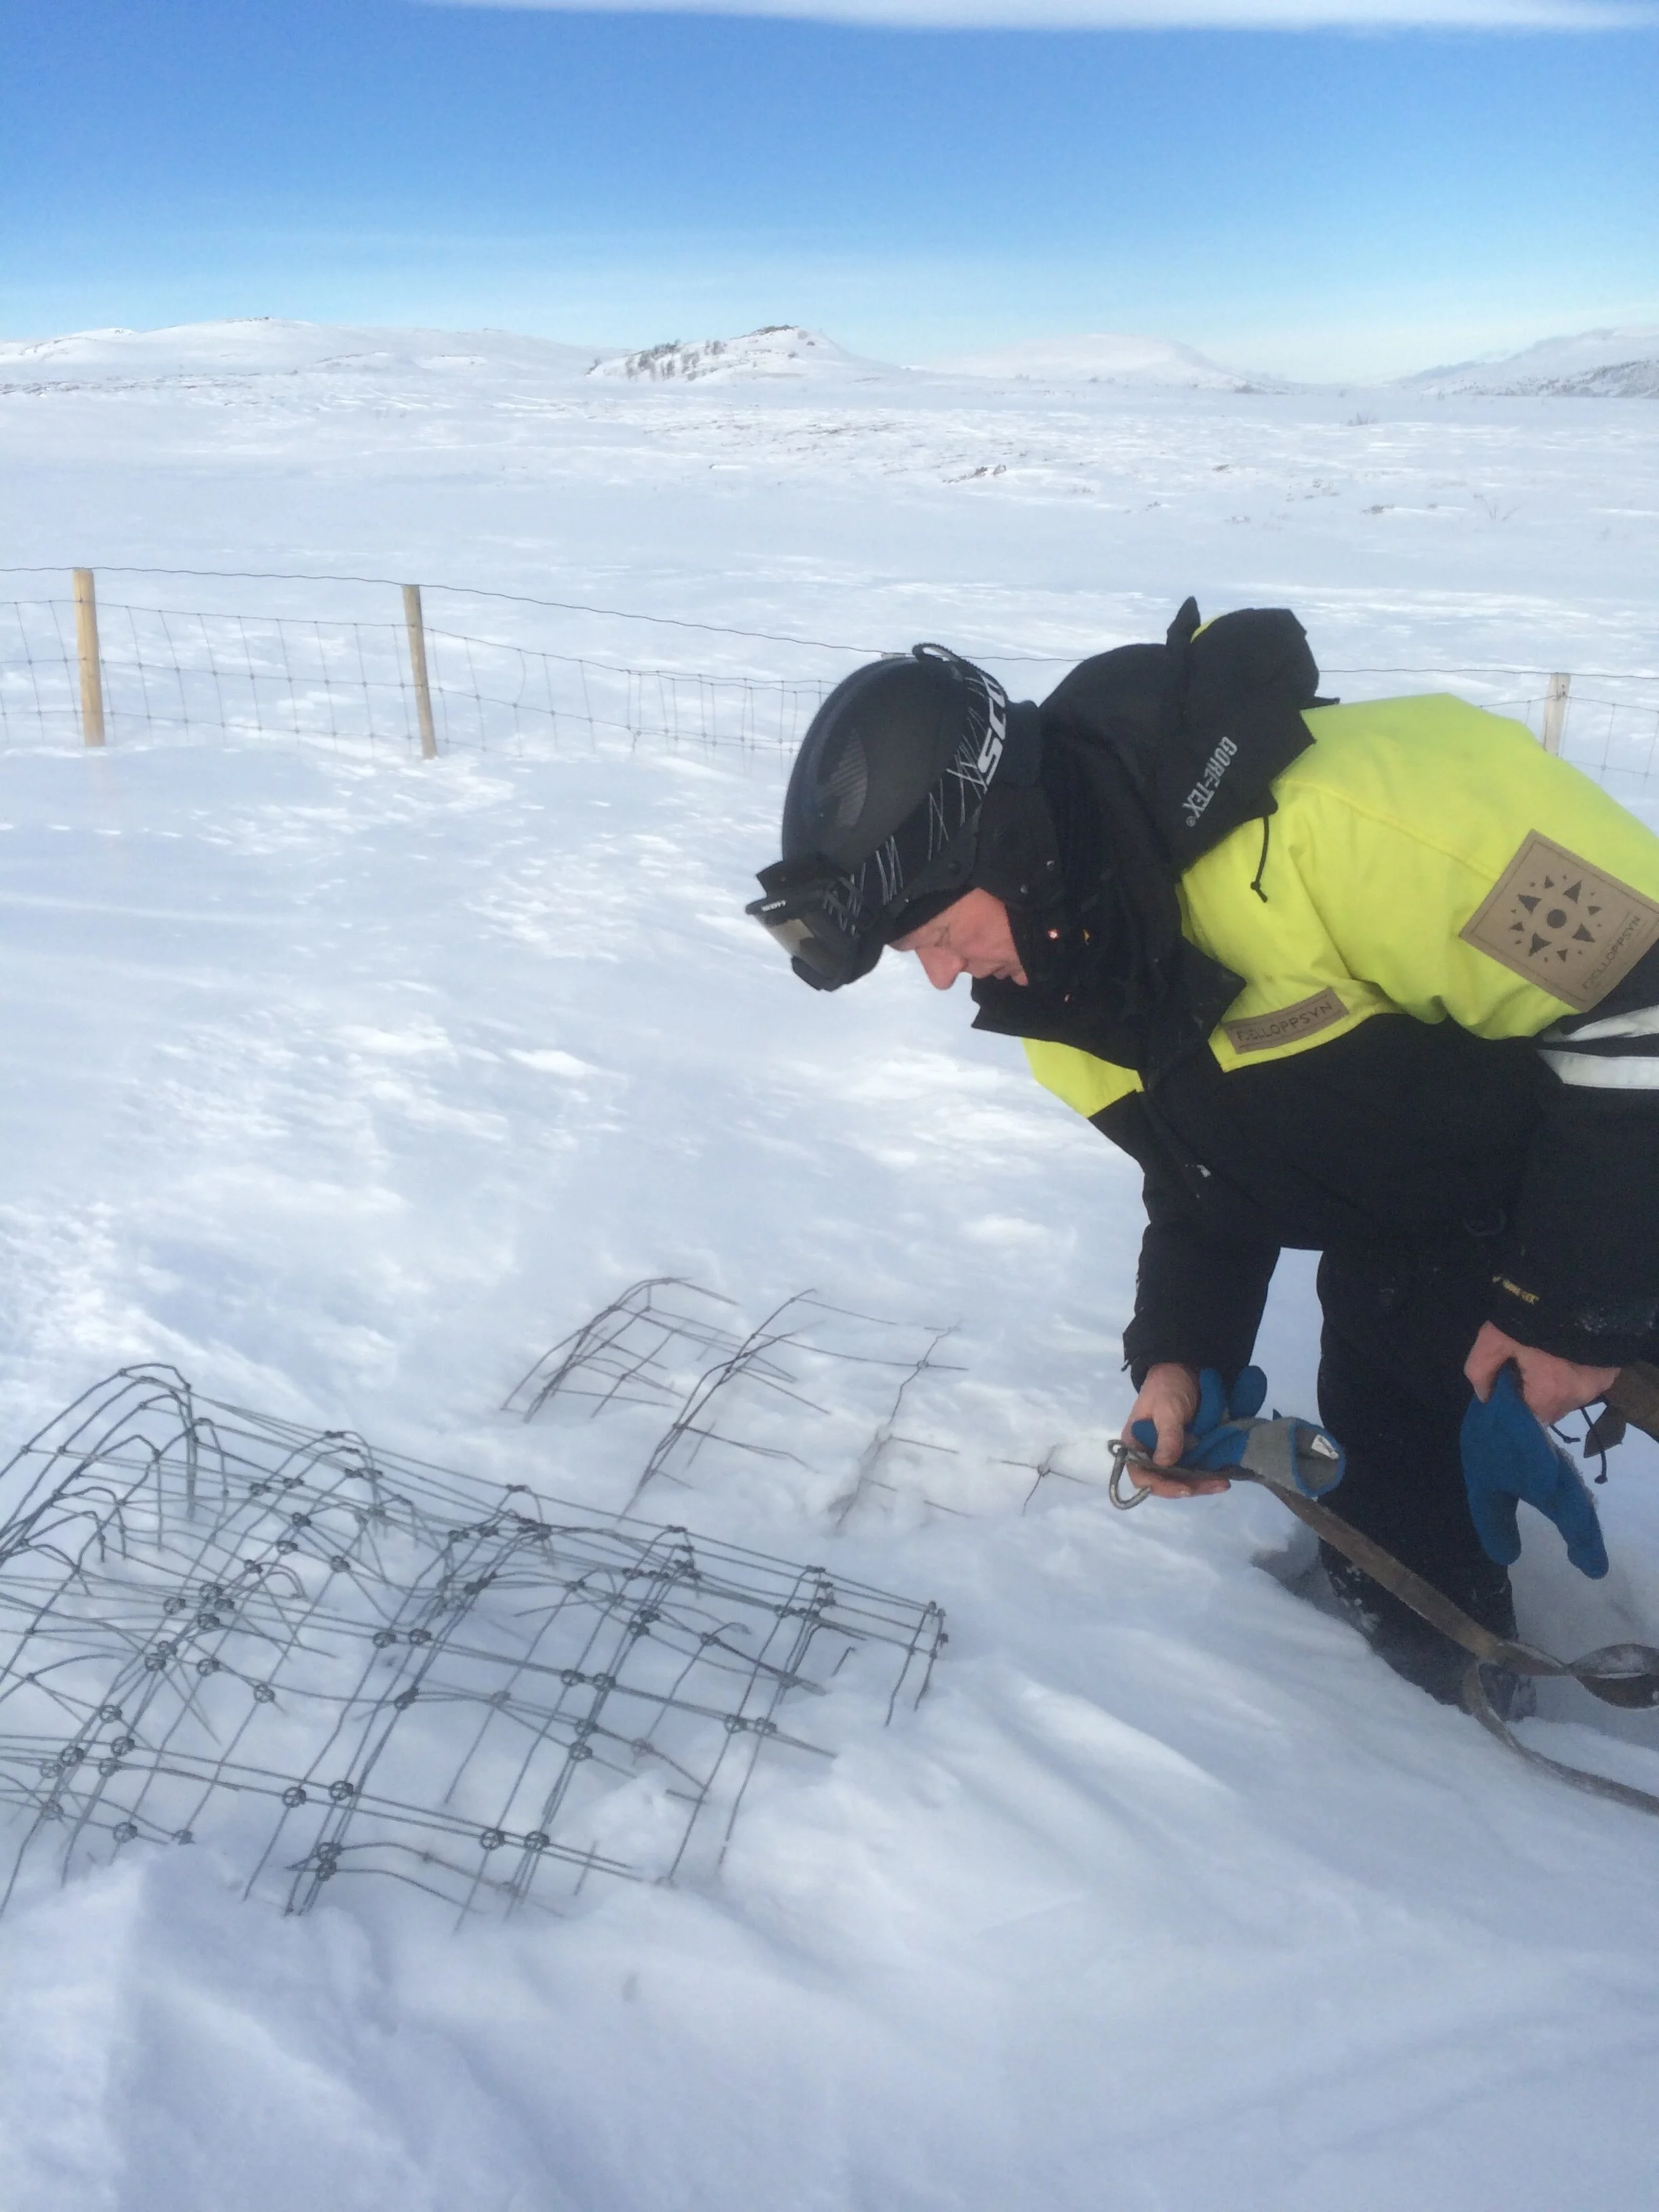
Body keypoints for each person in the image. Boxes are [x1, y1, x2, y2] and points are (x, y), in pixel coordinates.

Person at [747, 605, 1659, 1703]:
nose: (943, 976)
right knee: (1394, 1476)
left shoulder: (1345, 817)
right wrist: (1181, 1353)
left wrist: (1570, 1311)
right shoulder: (1066, 992)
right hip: (1431, 1238)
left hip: (1620, 1163)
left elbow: (1644, 1001)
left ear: (1007, 850)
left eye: (937, 935)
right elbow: (1205, 1184)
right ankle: (1456, 1731)